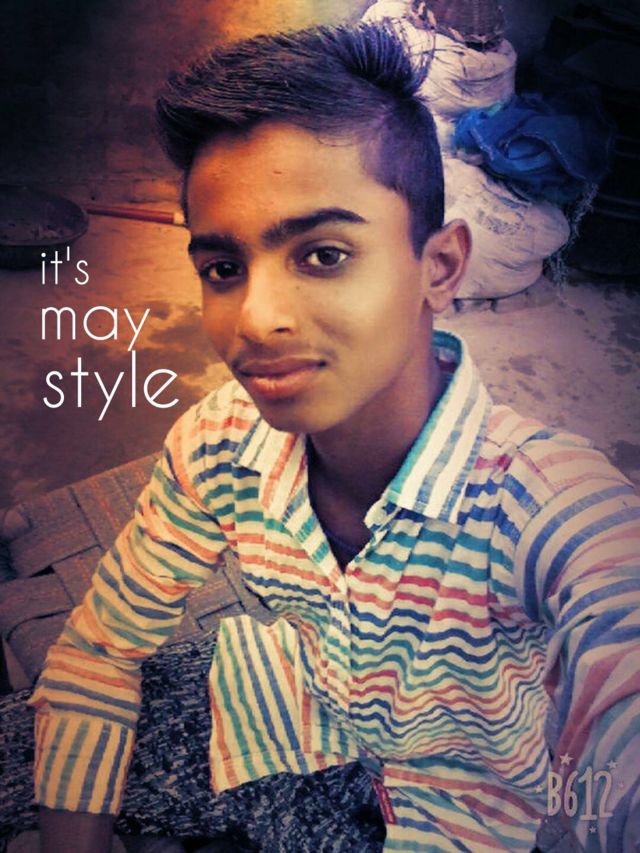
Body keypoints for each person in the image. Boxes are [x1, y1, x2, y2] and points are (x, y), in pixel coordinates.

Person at [24, 22, 640, 853]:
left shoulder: (554, 509)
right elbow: (98, 648)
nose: (255, 319)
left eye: (322, 255)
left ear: (440, 267)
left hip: (460, 809)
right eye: (223, 268)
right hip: (281, 722)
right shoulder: (219, 445)